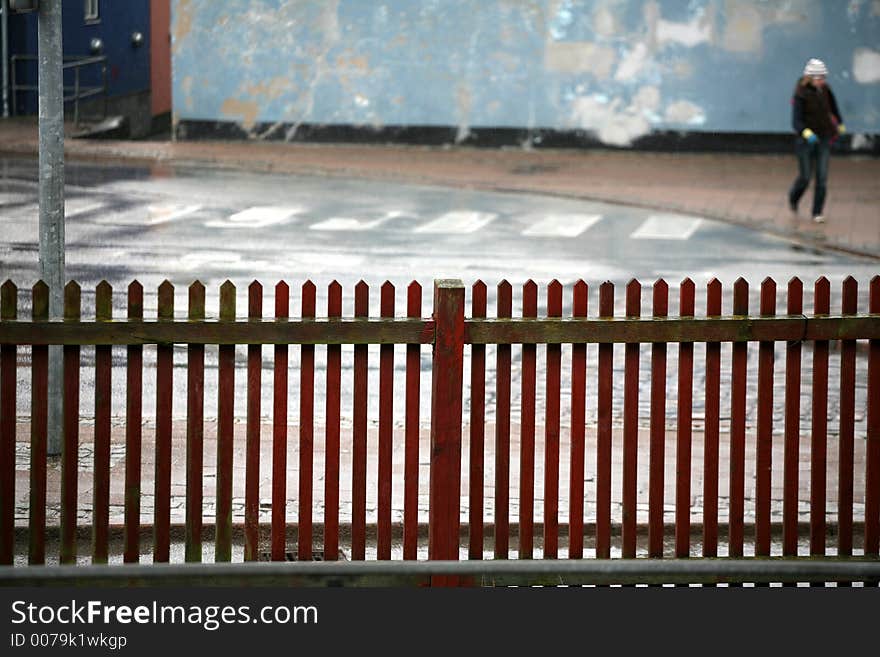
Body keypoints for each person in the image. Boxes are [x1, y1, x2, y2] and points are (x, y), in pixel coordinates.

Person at [788, 58, 845, 224]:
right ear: (810, 77)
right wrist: (805, 132)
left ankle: (817, 212)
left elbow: (834, 108)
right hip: (805, 141)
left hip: (824, 137)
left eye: (823, 77)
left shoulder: (826, 90)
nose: (822, 81)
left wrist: (839, 123)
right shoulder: (800, 93)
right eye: (819, 78)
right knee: (805, 177)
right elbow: (796, 121)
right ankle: (794, 196)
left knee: (822, 177)